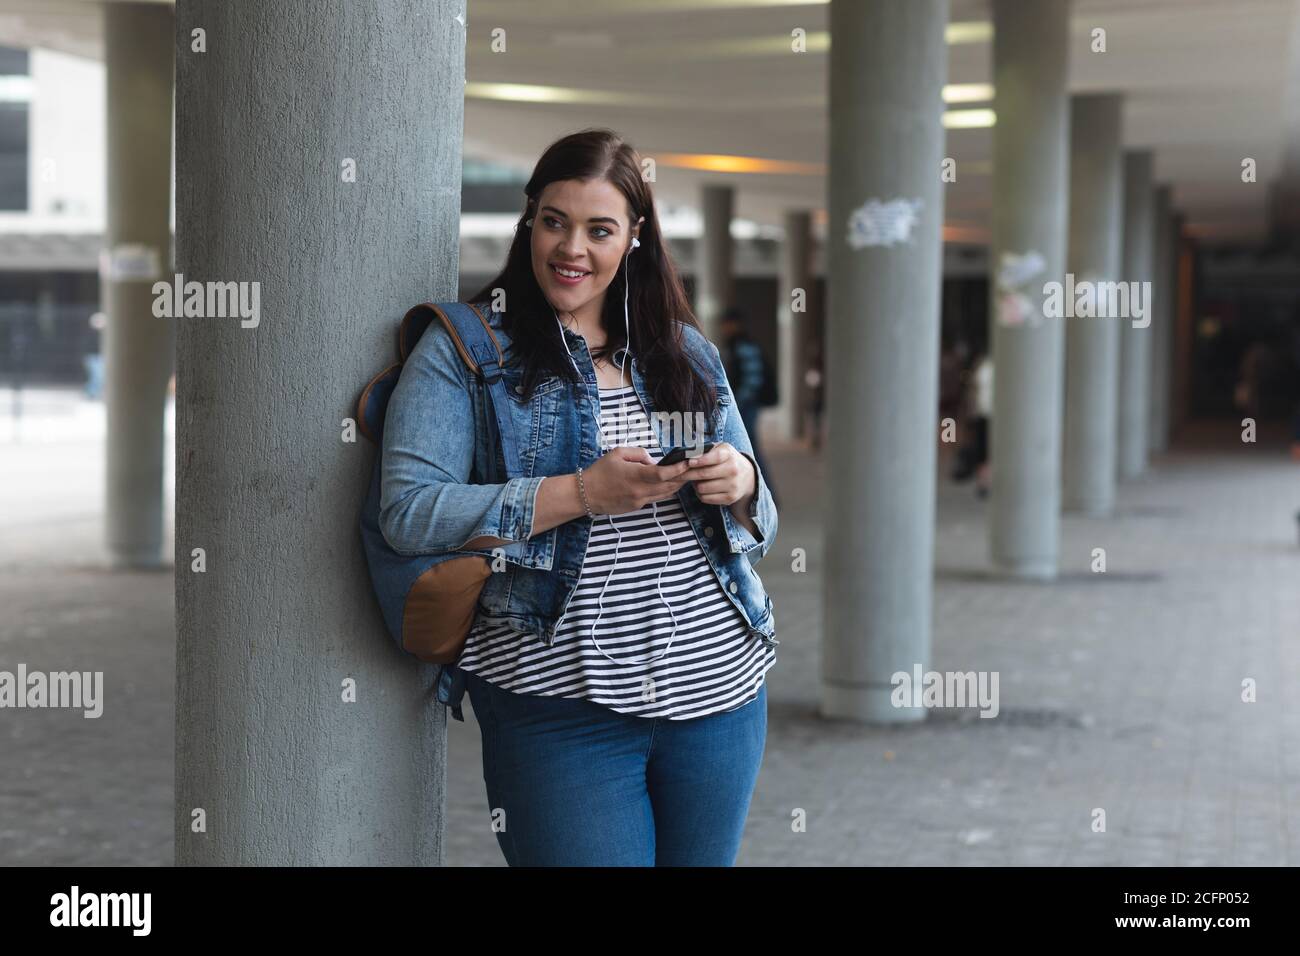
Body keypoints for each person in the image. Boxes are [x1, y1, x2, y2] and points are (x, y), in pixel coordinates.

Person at [379, 128, 778, 867]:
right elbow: (408, 512)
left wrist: (742, 482)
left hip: (718, 694)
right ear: (529, 219)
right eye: (555, 221)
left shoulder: (683, 351)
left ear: (634, 239)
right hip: (558, 705)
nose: (572, 249)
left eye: (600, 229)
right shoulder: (469, 351)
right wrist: (582, 493)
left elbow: (761, 516)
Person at [719, 306, 779, 506]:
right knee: (748, 449)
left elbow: (751, 381)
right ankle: (762, 493)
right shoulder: (737, 345)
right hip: (746, 405)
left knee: (749, 451)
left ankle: (763, 494)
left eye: (726, 324)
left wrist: (734, 404)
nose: (724, 328)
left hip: (746, 407)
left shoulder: (743, 346)